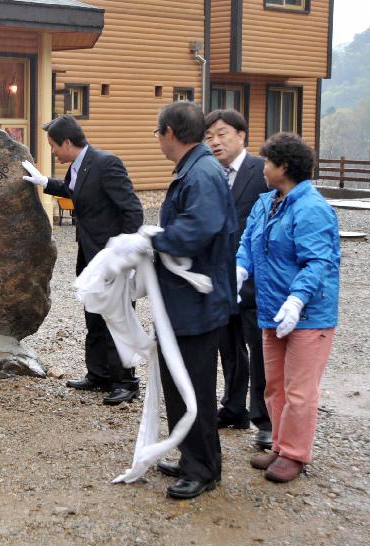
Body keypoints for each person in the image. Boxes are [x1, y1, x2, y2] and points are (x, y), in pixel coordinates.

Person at [237, 132, 340, 483]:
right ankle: (280, 446)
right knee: (275, 385)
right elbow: (248, 242)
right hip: (271, 310)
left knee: (300, 389)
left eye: (267, 161)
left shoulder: (313, 209)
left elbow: (317, 262)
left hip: (309, 316)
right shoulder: (266, 202)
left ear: (283, 166)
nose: (262, 167)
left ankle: (296, 454)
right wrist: (240, 268)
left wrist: (297, 300)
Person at [22, 114, 144, 405]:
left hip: (112, 256)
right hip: (89, 253)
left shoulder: (106, 163)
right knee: (94, 313)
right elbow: (74, 192)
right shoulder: (78, 166)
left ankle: (126, 381)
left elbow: (132, 210)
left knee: (117, 318)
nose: (51, 151)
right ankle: (99, 374)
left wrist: (126, 254)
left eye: (53, 145)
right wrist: (44, 182)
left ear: (67, 142)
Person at [151, 101, 237, 499]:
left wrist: (154, 240)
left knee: (195, 386)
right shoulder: (197, 168)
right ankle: (191, 455)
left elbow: (197, 229)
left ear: (170, 132)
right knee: (179, 380)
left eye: (157, 132)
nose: (157, 139)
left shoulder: (200, 173)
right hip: (184, 299)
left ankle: (203, 468)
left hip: (198, 302)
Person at [204, 109, 273, 449]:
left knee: (260, 350)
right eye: (209, 137)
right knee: (228, 347)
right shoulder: (210, 174)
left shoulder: (262, 171)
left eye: (222, 134)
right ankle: (233, 407)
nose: (215, 142)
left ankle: (265, 419)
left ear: (242, 135)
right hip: (220, 276)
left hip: (256, 279)